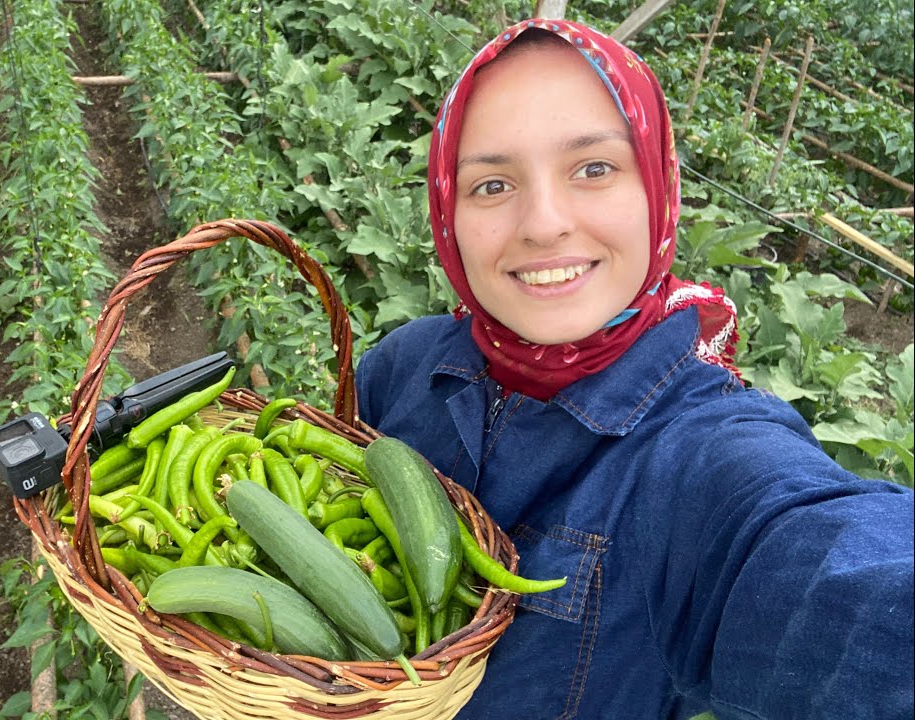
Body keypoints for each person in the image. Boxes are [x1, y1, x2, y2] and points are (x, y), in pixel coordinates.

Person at [354, 18, 914, 720]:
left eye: (594, 169)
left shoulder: (703, 453)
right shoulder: (402, 365)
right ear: (446, 211)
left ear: (657, 184)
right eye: (492, 184)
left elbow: (829, 572)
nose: (543, 224)